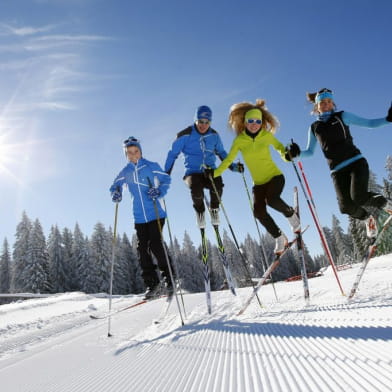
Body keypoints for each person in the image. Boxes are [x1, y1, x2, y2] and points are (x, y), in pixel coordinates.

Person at [286, 88, 392, 238]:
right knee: (345, 207)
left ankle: (387, 204)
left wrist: (387, 119)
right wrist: (296, 154)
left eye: (329, 102)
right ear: (317, 106)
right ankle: (368, 219)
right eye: (322, 102)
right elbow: (309, 152)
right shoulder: (314, 128)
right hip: (337, 170)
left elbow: (369, 123)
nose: (326, 105)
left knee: (359, 197)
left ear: (333, 103)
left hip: (356, 163)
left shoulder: (342, 117)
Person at [213, 99, 300, 254]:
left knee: (272, 200)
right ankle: (279, 237)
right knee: (258, 212)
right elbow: (228, 160)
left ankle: (291, 214)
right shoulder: (240, 140)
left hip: (275, 177)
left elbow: (281, 149)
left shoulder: (266, 136)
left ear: (261, 123)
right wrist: (214, 174)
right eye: (251, 121)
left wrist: (289, 154)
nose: (254, 124)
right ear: (245, 122)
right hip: (258, 184)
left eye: (258, 121)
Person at [110, 137, 175, 299]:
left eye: (136, 151)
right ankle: (152, 284)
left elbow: (166, 179)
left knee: (155, 244)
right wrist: (116, 192)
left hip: (156, 213)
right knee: (142, 249)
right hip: (139, 217)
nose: (134, 155)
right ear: (126, 155)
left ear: (140, 151)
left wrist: (158, 191)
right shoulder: (126, 171)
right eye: (130, 153)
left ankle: (170, 279)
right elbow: (114, 186)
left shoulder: (151, 166)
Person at [164, 105, 242, 228]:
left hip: (210, 170)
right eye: (201, 121)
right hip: (192, 172)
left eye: (207, 122)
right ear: (195, 120)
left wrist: (233, 167)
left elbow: (221, 153)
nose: (204, 125)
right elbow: (172, 154)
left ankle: (214, 210)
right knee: (196, 189)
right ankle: (200, 211)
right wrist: (166, 173)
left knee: (218, 185)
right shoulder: (185, 135)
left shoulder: (214, 135)